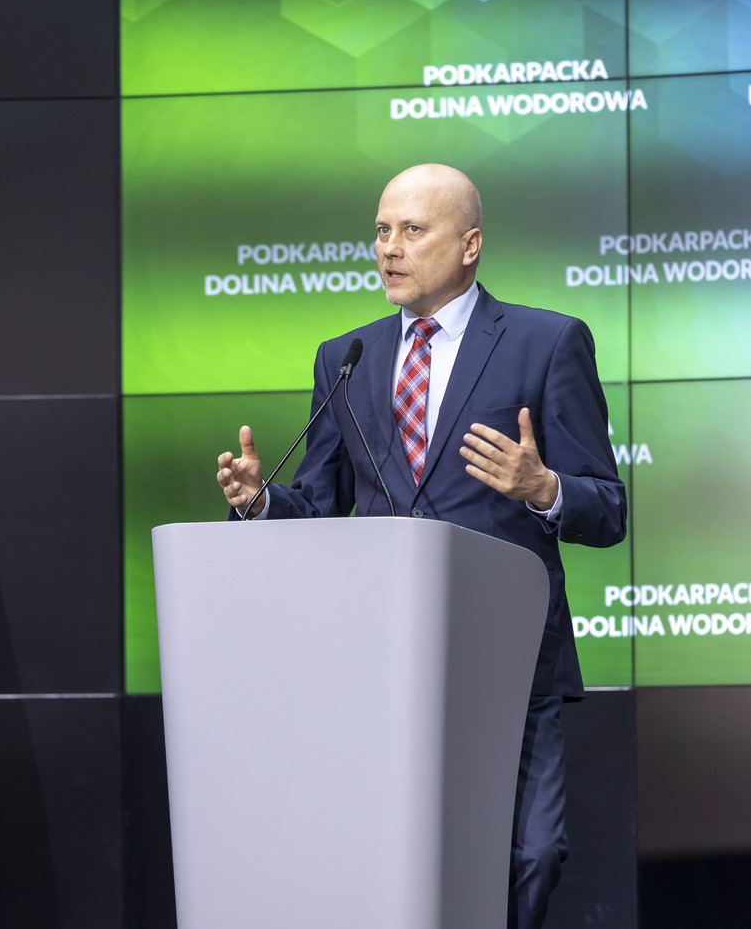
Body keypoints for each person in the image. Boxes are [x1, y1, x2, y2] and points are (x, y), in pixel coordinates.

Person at [215, 163, 626, 929]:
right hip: (380, 657)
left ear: (470, 245)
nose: (389, 248)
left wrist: (544, 488)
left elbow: (608, 509)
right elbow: (320, 505)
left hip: (507, 657)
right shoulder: (347, 357)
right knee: (400, 861)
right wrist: (260, 501)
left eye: (411, 229)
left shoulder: (546, 343)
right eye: (381, 230)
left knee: (531, 855)